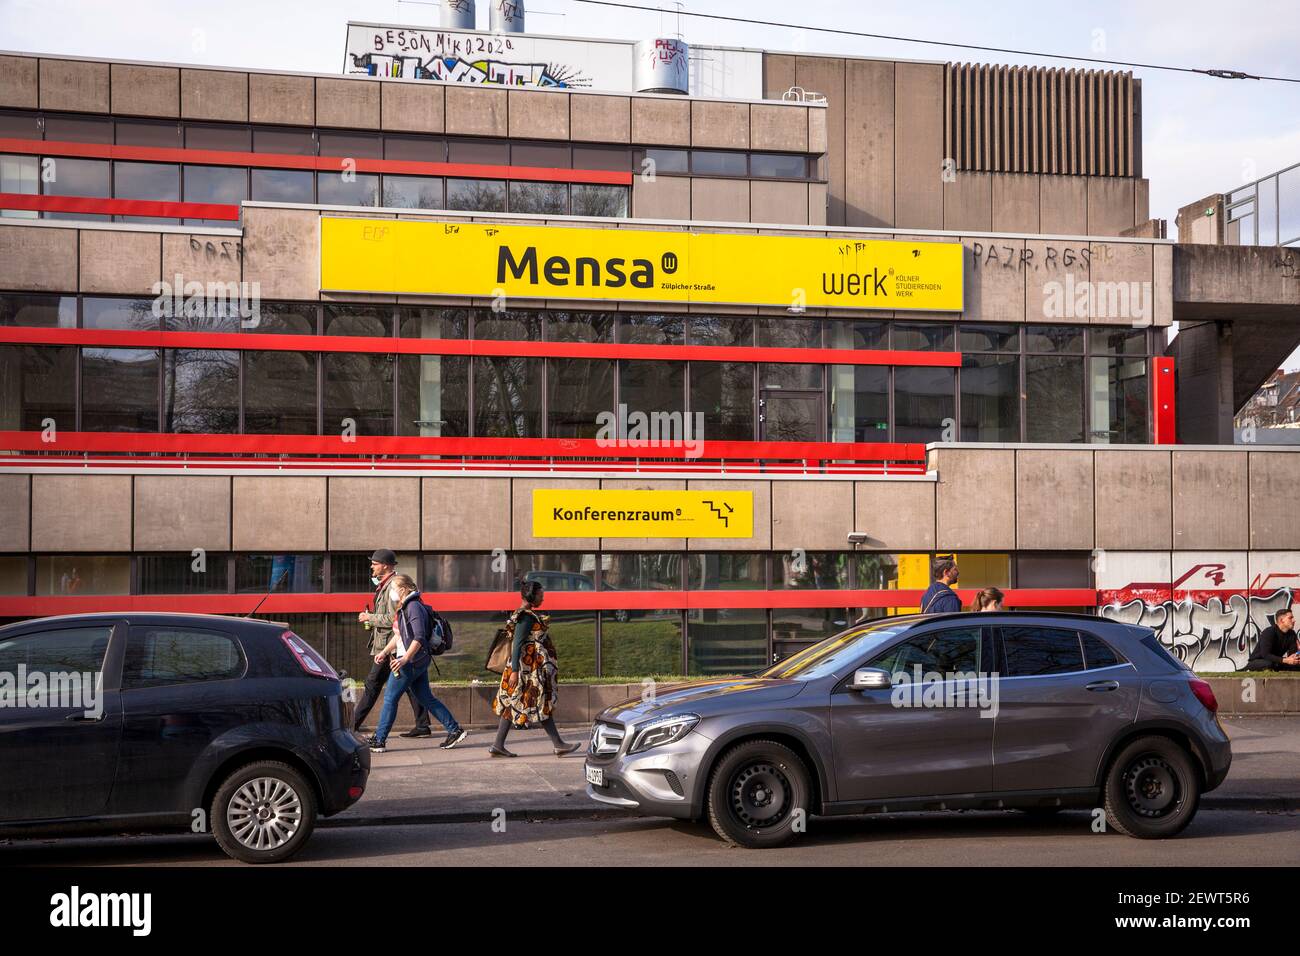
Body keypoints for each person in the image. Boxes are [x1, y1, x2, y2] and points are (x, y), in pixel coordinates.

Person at [367, 574, 467, 753]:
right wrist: (383, 652)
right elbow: (398, 635)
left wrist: (404, 659)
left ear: (404, 590)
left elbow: (419, 637)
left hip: (409, 661)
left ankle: (379, 740)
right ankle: (455, 729)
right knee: (425, 697)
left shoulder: (413, 607)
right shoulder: (406, 606)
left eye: (394, 589)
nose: (392, 593)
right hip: (416, 660)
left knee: (390, 699)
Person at [488, 580, 581, 758]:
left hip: (524, 669)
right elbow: (517, 644)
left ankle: (498, 745)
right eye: (540, 594)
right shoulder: (526, 617)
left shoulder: (526, 614)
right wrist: (515, 671)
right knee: (540, 702)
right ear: (532, 595)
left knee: (514, 703)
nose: (543, 597)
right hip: (525, 671)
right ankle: (559, 744)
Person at [350, 549, 431, 738]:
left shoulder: (394, 586)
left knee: (372, 685)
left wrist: (369, 617)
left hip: (391, 646)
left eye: (375, 563)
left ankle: (352, 726)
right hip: (391, 644)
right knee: (411, 686)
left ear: (385, 565)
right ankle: (423, 725)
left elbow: (394, 619)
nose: (372, 566)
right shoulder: (384, 585)